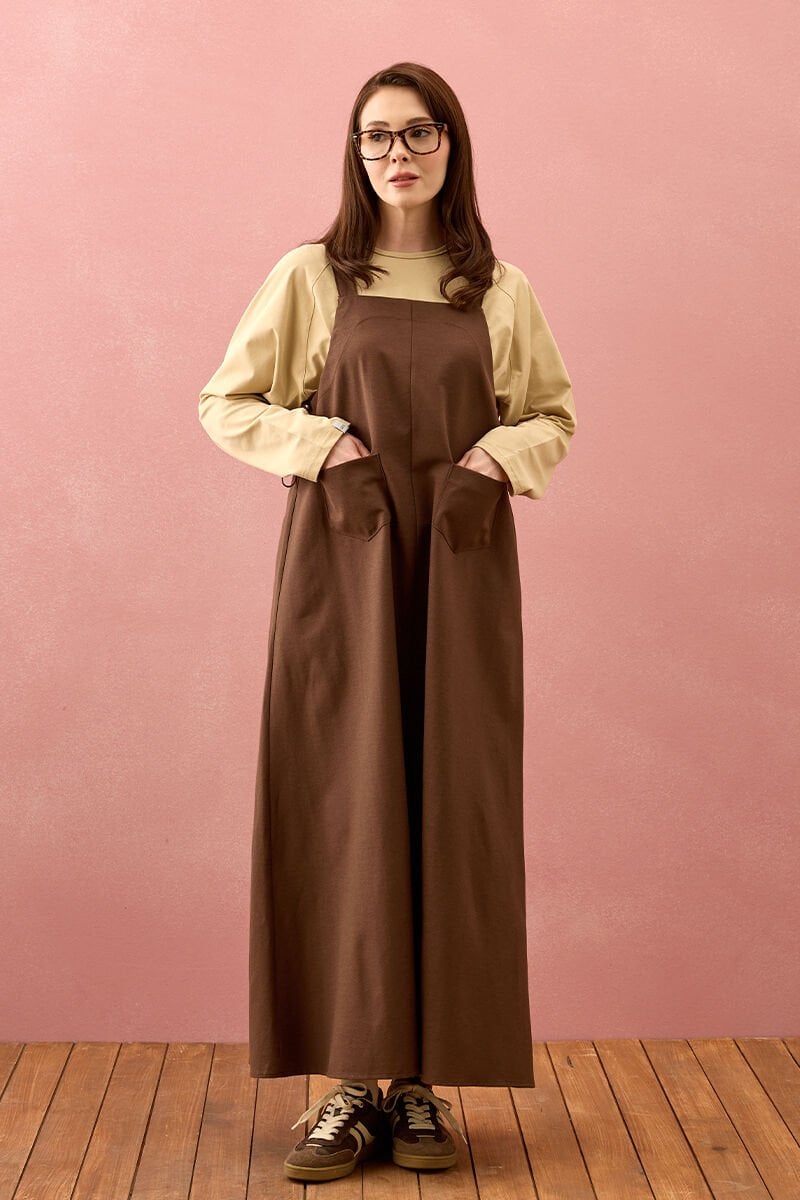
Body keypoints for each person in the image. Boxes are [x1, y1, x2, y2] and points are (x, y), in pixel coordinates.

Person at [198, 61, 576, 1184]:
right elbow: (227, 402)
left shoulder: (497, 288)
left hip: (459, 570)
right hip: (342, 569)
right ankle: (352, 1085)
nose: (396, 153)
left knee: (449, 801)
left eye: (417, 133)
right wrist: (324, 446)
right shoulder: (311, 276)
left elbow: (552, 414)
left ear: (452, 144)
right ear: (354, 152)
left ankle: (417, 1087)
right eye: (375, 136)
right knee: (346, 801)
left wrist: (493, 462)